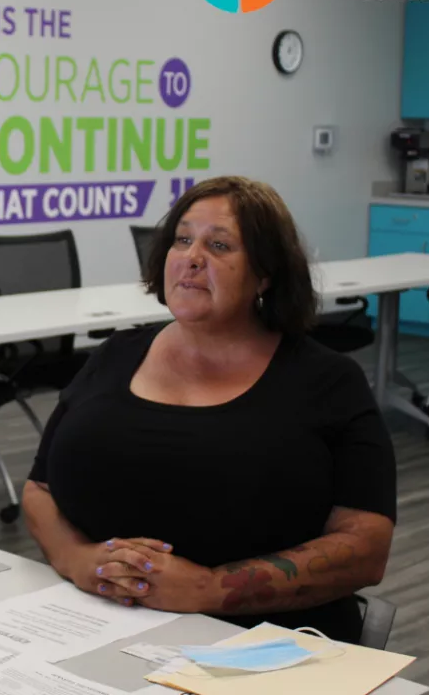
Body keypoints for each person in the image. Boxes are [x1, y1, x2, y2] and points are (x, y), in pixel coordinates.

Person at [23, 176, 396, 644]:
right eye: (182, 239)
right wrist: (76, 560)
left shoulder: (327, 382)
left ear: (265, 274)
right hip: (96, 626)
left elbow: (367, 547)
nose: (192, 257)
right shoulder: (115, 356)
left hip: (259, 644)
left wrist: (209, 589)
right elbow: (39, 489)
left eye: (219, 245)